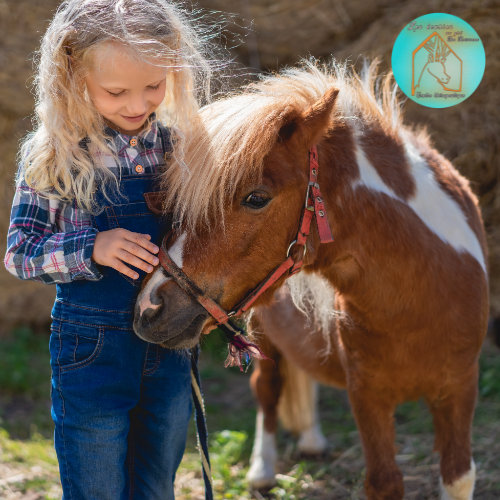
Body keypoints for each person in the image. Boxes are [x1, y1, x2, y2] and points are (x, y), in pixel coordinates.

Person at [4, 1, 220, 498]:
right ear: (72, 77)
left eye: (154, 86)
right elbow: (20, 252)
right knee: (97, 484)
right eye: (117, 91)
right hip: (91, 349)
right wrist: (91, 246)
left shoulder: (180, 146)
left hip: (167, 343)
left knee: (155, 483)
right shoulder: (56, 153)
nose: (137, 103)